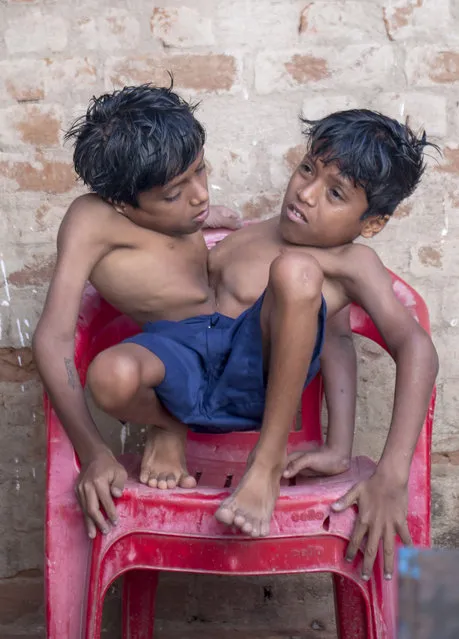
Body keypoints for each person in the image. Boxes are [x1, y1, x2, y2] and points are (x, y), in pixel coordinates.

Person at [32, 84, 357, 545]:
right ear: (124, 203)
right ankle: (168, 424)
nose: (200, 195)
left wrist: (194, 218)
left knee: (295, 276)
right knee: (110, 375)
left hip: (251, 360)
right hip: (180, 359)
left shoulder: (190, 211)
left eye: (200, 170)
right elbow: (54, 338)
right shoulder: (92, 221)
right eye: (173, 194)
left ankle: (255, 456)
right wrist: (94, 453)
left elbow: (335, 332)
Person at [208, 108, 439, 580]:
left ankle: (267, 463)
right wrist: (192, 223)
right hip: (189, 400)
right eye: (308, 168)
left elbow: (417, 348)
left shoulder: (351, 262)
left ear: (371, 223)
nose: (306, 193)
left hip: (260, 411)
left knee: (298, 276)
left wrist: (391, 474)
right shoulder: (243, 236)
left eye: (335, 194)